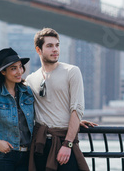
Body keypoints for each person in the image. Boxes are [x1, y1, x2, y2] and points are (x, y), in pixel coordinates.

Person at [26, 28, 89, 171]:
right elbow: (22, 110)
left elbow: (77, 109)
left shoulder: (72, 72)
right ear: (38, 50)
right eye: (49, 46)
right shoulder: (30, 79)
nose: (55, 49)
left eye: (57, 45)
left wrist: (68, 144)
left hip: (64, 142)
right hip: (40, 145)